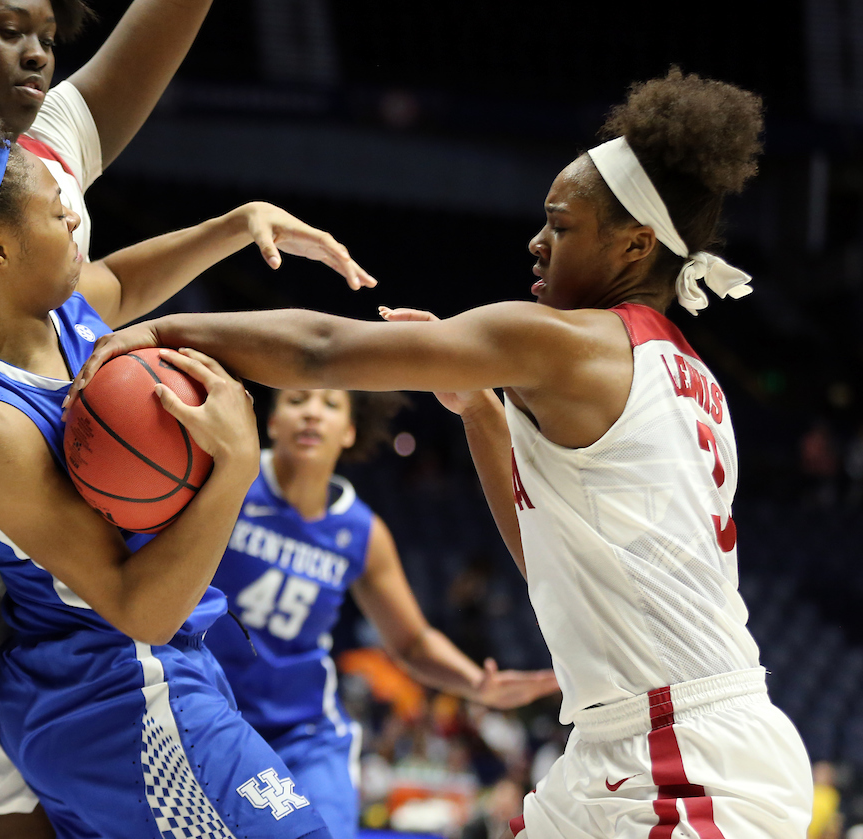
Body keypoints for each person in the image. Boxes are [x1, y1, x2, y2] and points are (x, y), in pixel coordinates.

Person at [72, 68, 816, 838]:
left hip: (681, 757)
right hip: (645, 743)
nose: (537, 240)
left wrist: (171, 329)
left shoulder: (573, 343)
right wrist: (480, 412)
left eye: (561, 226)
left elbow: (326, 349)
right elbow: (550, 558)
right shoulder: (693, 379)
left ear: (633, 244)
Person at [0, 1, 371, 837]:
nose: (38, 55)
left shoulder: (42, 170)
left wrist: (235, 226)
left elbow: (116, 287)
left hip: (25, 548)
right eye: (11, 30)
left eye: (47, 38)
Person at [205, 387, 558, 839]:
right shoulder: (231, 480)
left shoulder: (361, 531)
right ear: (272, 422)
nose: (312, 413)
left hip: (302, 730)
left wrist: (476, 684)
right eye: (297, 401)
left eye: (330, 405)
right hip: (210, 706)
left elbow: (411, 642)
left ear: (349, 432)